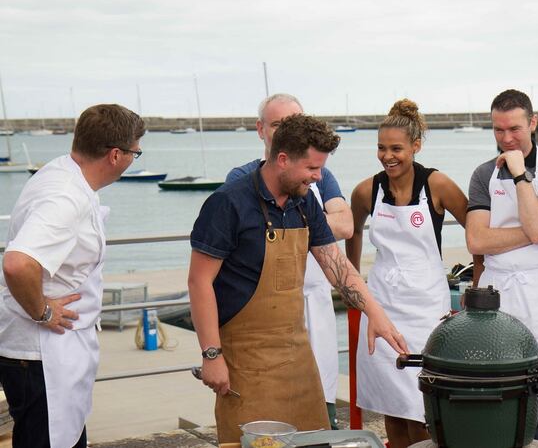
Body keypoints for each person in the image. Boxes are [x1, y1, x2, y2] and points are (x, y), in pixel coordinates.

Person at [188, 113, 408, 444]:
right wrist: (211, 355)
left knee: (313, 440)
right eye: (311, 168)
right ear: (282, 159)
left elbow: (336, 263)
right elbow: (199, 282)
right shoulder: (227, 203)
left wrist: (375, 314)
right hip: (244, 359)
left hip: (296, 353)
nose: (318, 177)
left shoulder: (303, 203)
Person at [0, 104, 145, 448]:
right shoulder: (65, 197)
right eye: (135, 153)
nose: (133, 159)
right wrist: (43, 311)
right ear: (115, 155)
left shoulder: (64, 174)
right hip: (42, 357)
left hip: (50, 354)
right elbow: (17, 263)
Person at [346, 99, 468, 448]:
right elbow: (352, 231)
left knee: (423, 409)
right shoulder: (367, 190)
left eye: (396, 148)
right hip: (383, 301)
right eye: (381, 148)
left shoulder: (438, 185)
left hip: (427, 306)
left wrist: (481, 278)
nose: (388, 156)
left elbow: (475, 227)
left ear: (416, 146)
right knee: (392, 408)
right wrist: (353, 283)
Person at [225, 94, 353, 427]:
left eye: (295, 121)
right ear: (261, 129)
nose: (290, 129)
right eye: (280, 124)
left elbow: (347, 224)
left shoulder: (319, 173)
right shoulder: (240, 178)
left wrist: (297, 218)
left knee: (320, 408)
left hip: (315, 302)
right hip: (263, 313)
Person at [464, 89, 538, 446]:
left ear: (533, 123)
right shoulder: (483, 175)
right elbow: (477, 241)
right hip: (498, 295)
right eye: (498, 130)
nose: (507, 138)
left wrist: (519, 174)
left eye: (514, 129)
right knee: (493, 391)